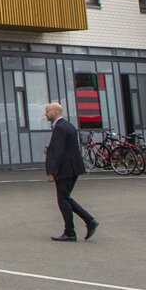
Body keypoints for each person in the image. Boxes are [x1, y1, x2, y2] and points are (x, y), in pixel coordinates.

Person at [44, 101, 98, 241]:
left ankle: (71, 231)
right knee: (65, 198)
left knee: (63, 200)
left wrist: (52, 172)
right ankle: (87, 222)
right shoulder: (68, 126)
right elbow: (66, 148)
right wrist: (50, 150)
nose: (46, 114)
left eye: (48, 111)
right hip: (73, 167)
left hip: (65, 170)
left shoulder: (60, 128)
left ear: (55, 113)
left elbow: (60, 152)